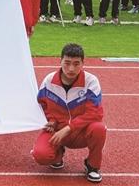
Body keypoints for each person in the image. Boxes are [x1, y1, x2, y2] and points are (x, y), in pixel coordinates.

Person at [32, 43, 106, 183]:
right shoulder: (49, 81)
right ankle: (58, 153)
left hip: (80, 131)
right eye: (67, 63)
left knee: (99, 128)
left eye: (76, 64)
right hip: (56, 130)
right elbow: (41, 105)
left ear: (83, 63)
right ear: (60, 61)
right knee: (41, 155)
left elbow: (95, 113)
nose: (71, 68)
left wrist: (69, 128)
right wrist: (51, 120)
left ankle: (92, 165)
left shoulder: (91, 81)